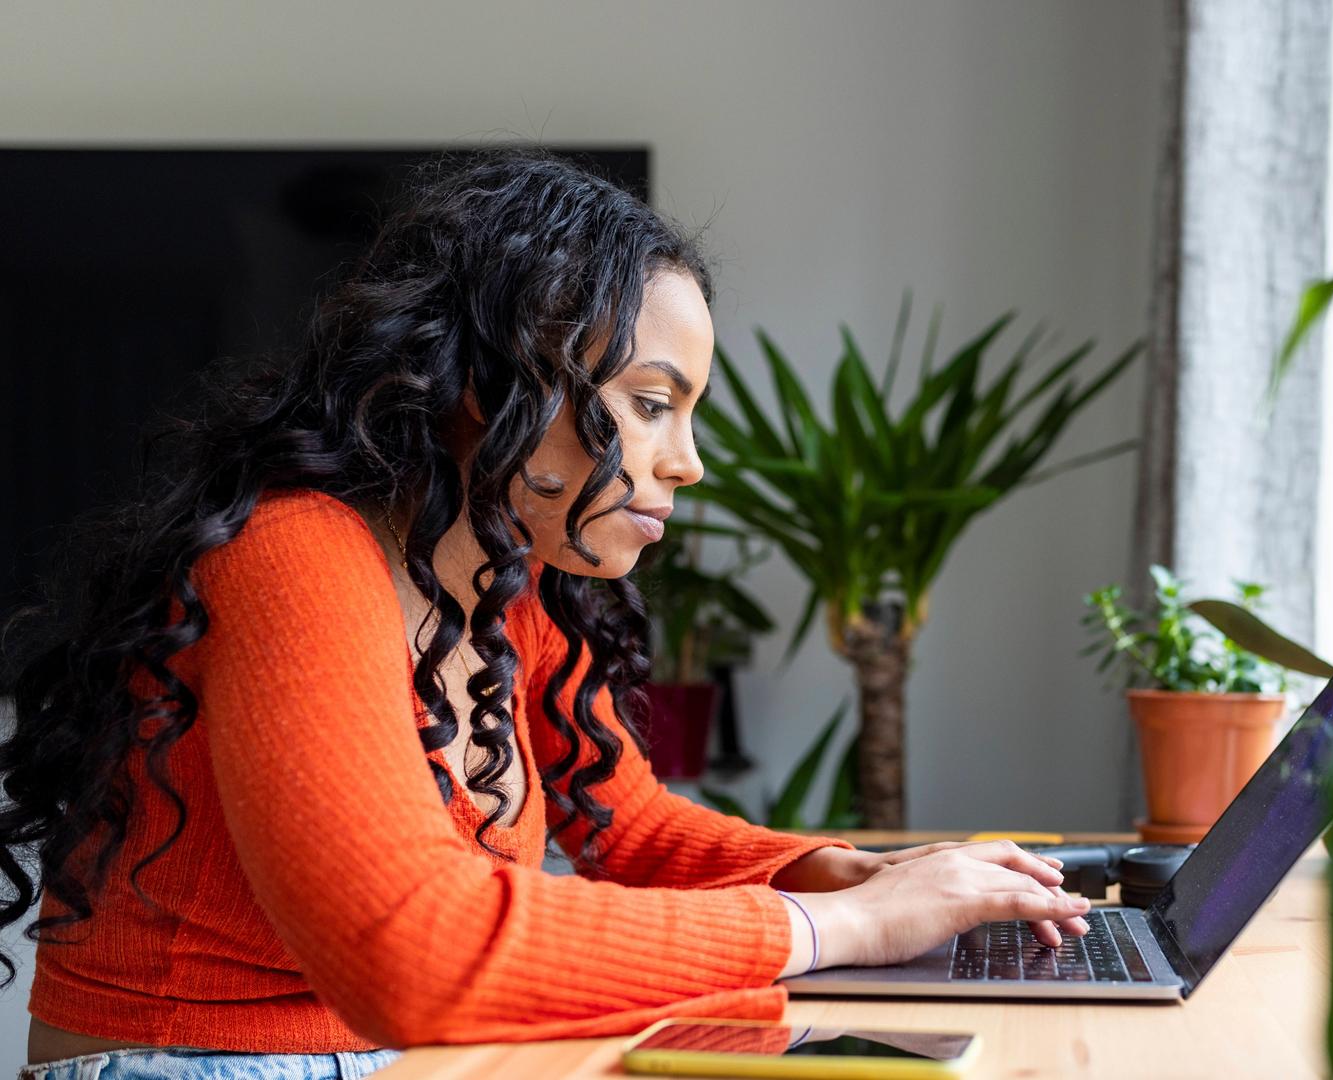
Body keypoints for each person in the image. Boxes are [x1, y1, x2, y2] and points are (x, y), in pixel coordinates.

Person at [0, 149, 1090, 1080]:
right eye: (654, 404)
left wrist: (839, 872)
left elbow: (632, 826)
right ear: (494, 381)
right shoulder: (295, 551)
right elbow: (412, 949)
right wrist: (839, 930)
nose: (689, 462)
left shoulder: (495, 577)